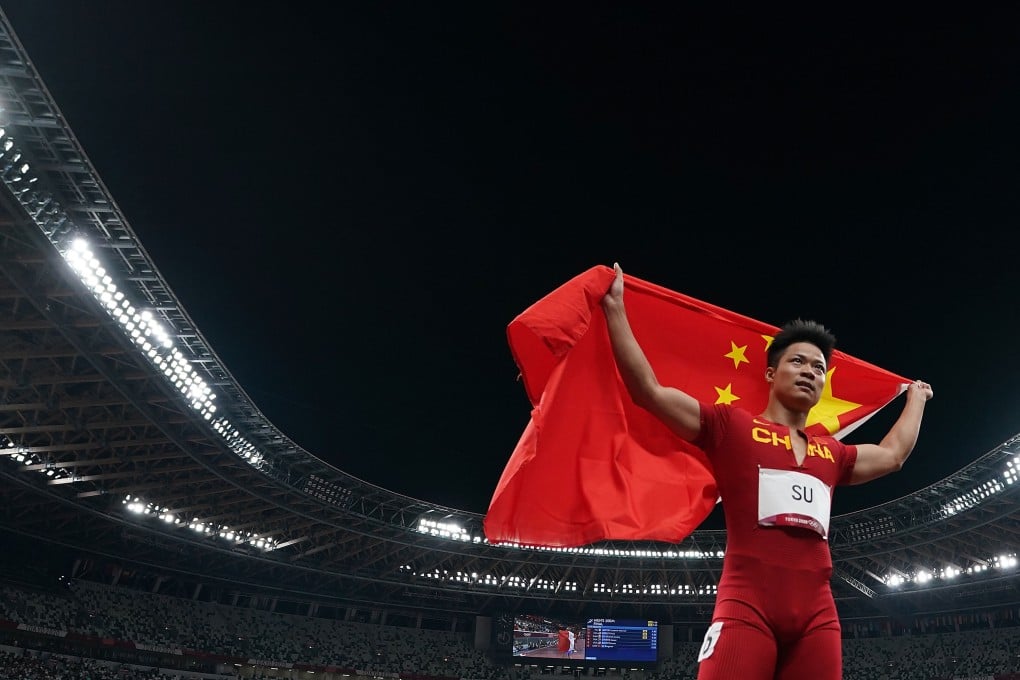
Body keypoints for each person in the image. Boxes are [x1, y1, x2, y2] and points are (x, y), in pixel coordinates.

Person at [600, 263, 933, 680]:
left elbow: (892, 455)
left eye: (818, 368)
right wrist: (615, 309)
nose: (811, 371)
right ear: (772, 373)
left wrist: (916, 398)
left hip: (818, 618)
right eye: (799, 362)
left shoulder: (831, 453)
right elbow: (648, 391)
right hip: (746, 607)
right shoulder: (731, 427)